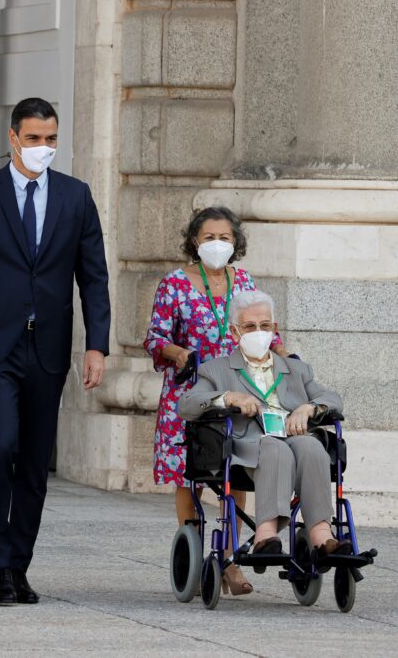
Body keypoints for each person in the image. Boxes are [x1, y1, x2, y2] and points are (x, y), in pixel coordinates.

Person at [0, 97, 111, 605]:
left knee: (35, 460)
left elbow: (94, 279)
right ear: (12, 138)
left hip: (49, 347)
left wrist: (96, 347)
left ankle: (19, 564)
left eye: (51, 139)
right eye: (33, 138)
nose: (43, 148)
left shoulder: (76, 197)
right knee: (0, 446)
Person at [143, 206, 286, 596]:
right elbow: (155, 337)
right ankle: (191, 549)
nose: (217, 244)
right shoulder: (175, 283)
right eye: (209, 237)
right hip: (191, 392)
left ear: (236, 242)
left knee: (235, 469)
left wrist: (287, 363)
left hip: (240, 393)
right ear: (194, 241)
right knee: (192, 475)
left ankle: (229, 561)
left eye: (225, 237)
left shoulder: (245, 282)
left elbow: (268, 334)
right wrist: (177, 353)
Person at [179, 290, 352, 561]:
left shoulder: (297, 369)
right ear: (235, 333)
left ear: (274, 329)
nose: (258, 332)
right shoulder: (216, 369)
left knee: (311, 445)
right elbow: (187, 404)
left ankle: (321, 534)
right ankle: (266, 534)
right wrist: (229, 397)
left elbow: (332, 398)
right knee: (274, 447)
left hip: (292, 436)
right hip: (246, 447)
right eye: (249, 327)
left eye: (265, 326)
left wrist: (308, 408)